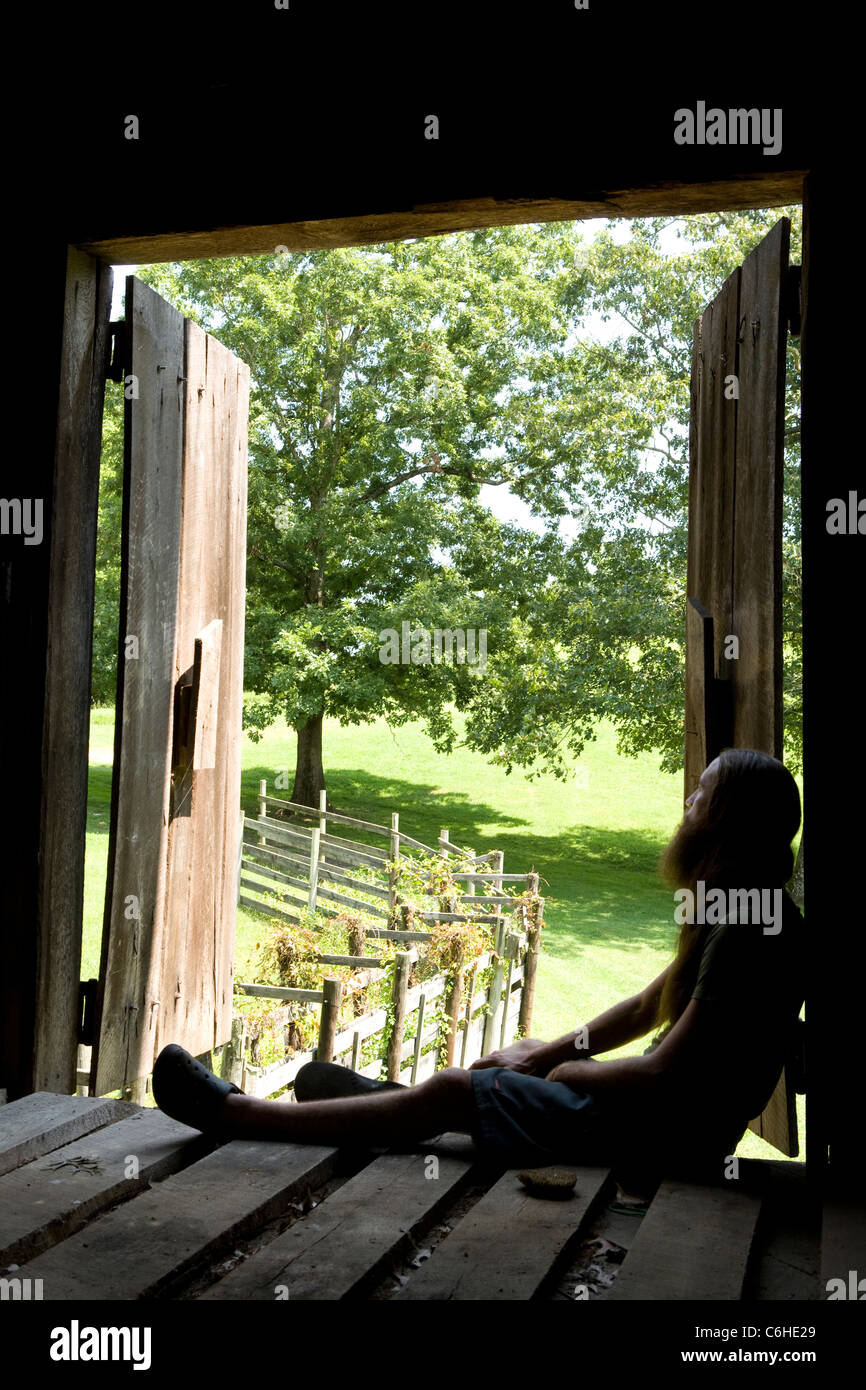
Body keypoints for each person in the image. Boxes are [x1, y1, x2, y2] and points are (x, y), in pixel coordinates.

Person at [153, 749, 805, 1184]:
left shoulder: (749, 932)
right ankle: (392, 1108)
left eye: (700, 794)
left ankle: (238, 1115)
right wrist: (542, 1056)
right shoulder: (744, 911)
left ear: (725, 823)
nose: (686, 805)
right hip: (667, 1124)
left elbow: (665, 1072)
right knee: (514, 1055)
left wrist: (574, 1069)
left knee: (456, 1092)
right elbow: (641, 1010)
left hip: (663, 1142)